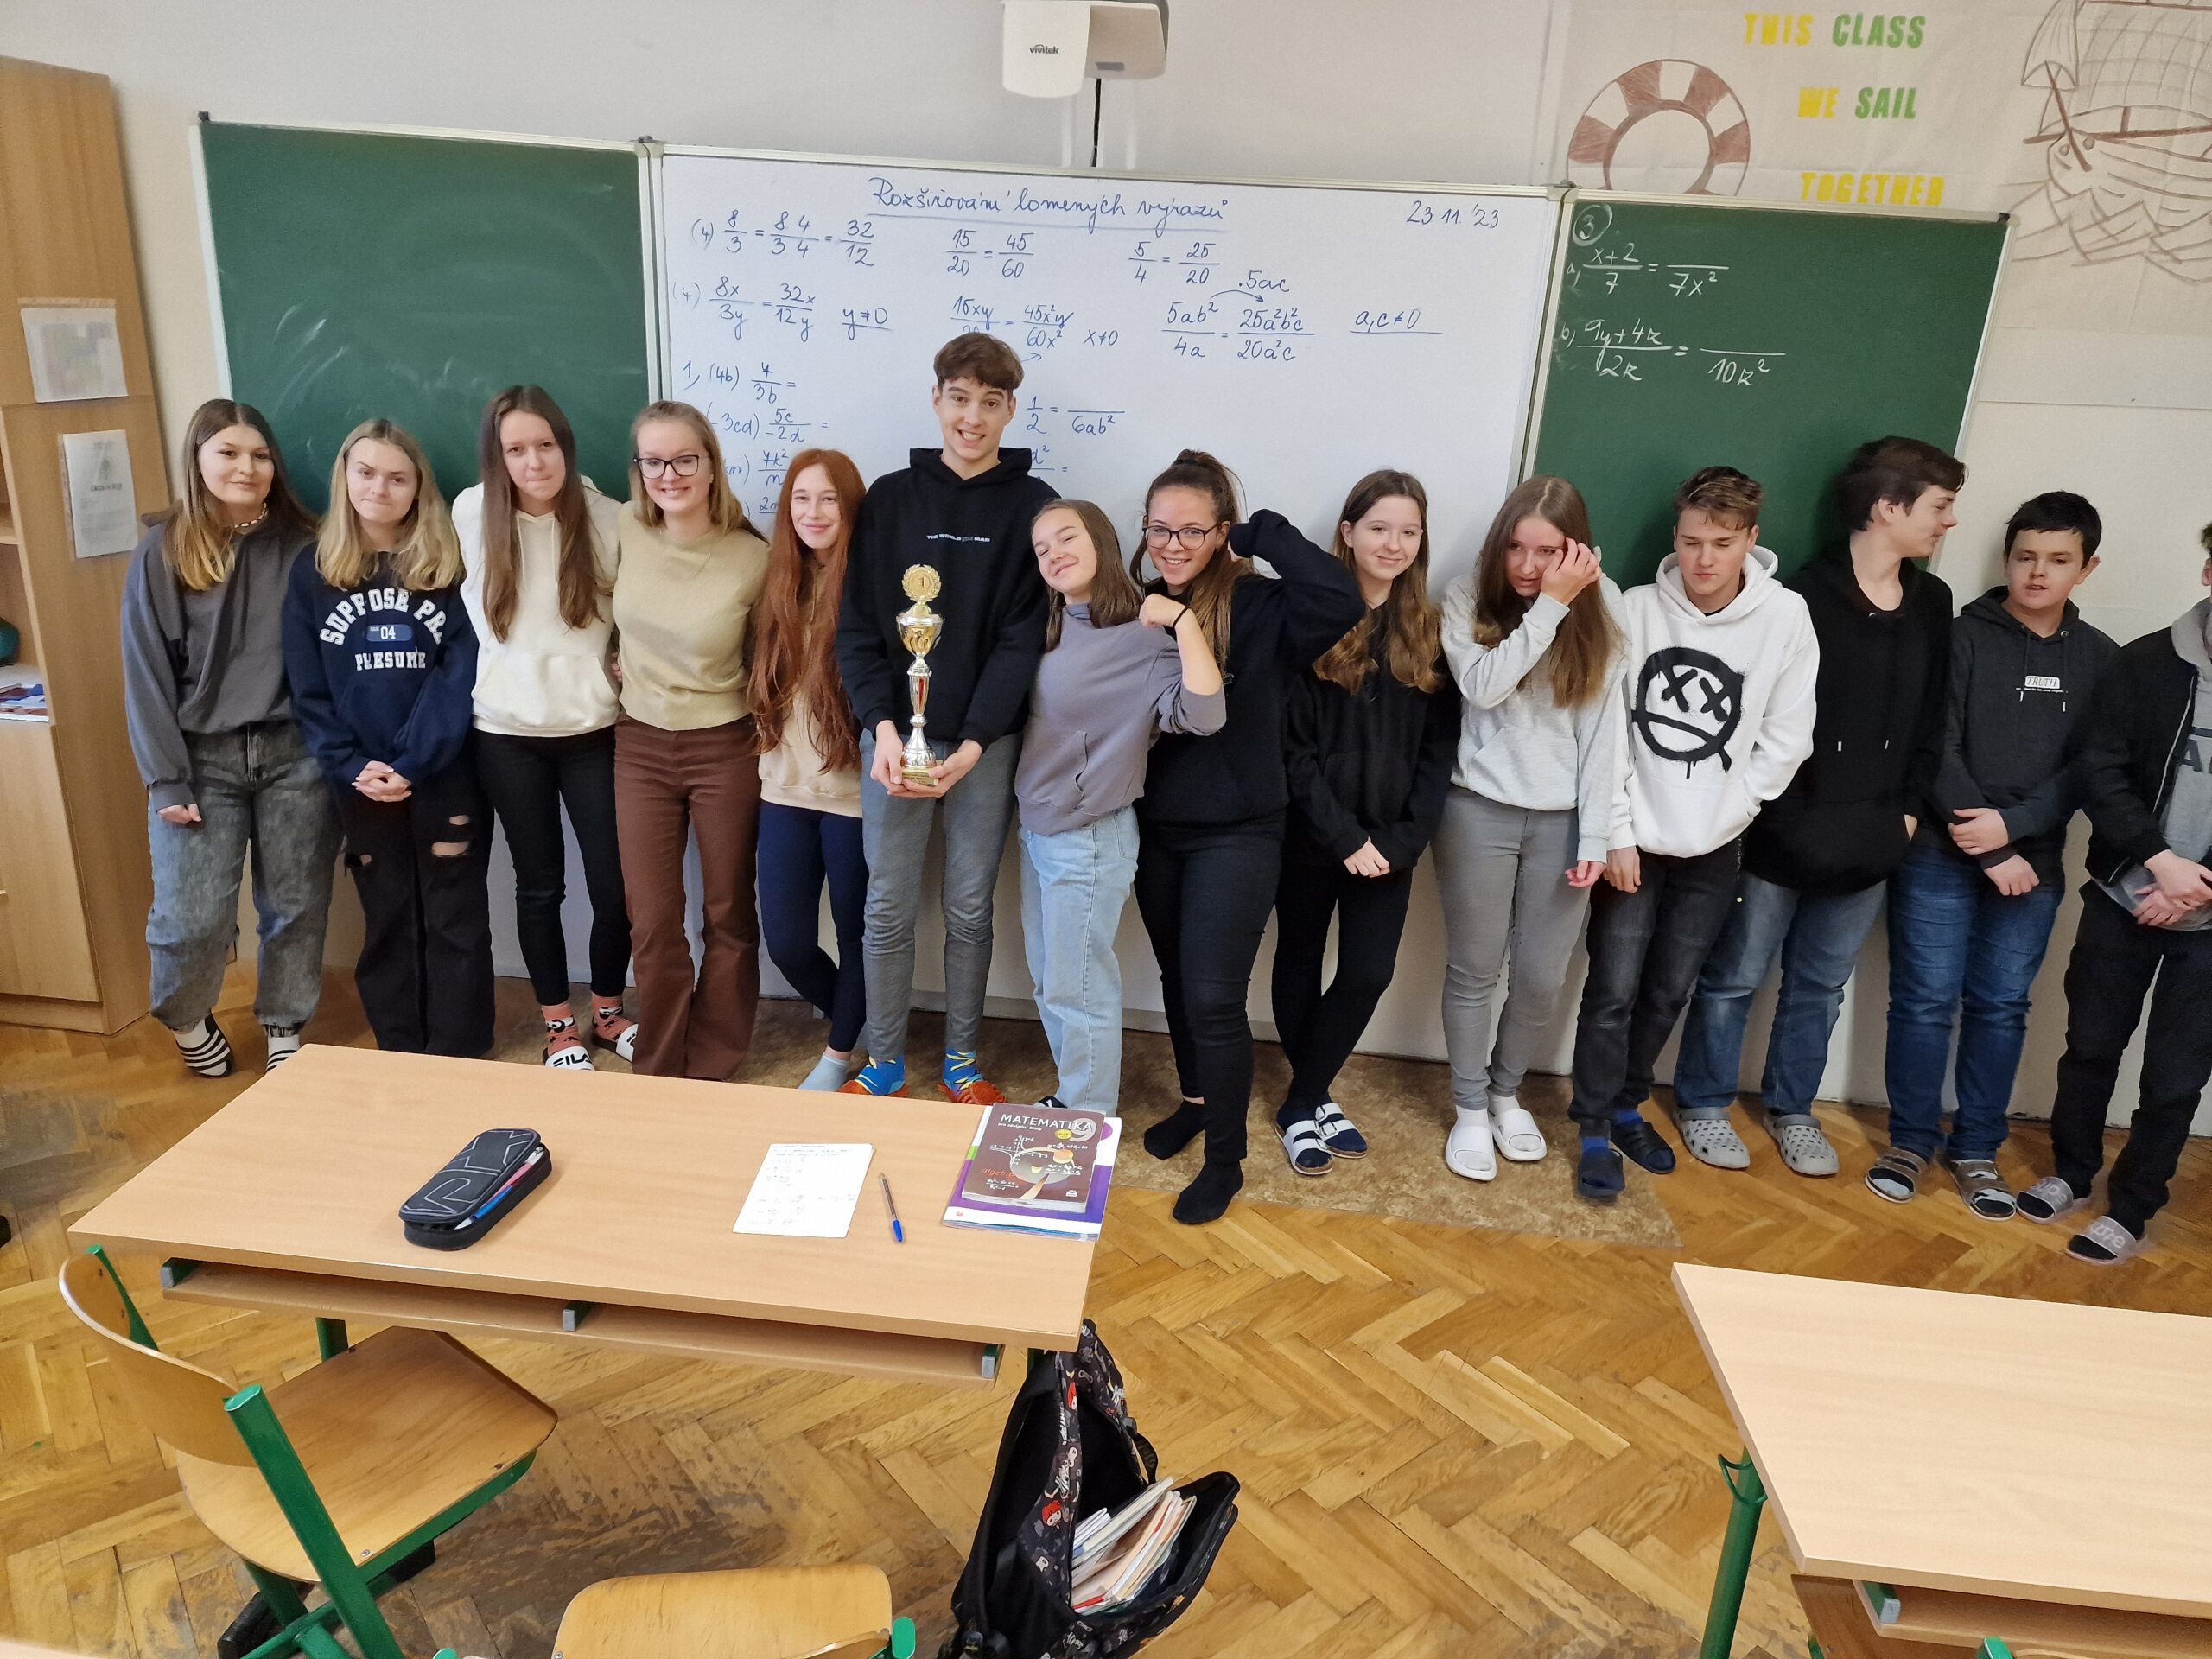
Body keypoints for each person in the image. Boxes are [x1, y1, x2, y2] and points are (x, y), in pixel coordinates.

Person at [1674, 437, 1961, 1176]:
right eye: (1939, 506)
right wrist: (1775, 811)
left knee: (1820, 986)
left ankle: (1793, 1109)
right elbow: (1765, 719)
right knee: (1735, 975)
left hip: (1874, 834)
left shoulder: (1933, 602)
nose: (1949, 522)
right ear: (1887, 507)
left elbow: (1933, 720)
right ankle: (1703, 1100)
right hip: (1783, 828)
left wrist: (1905, 814)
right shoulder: (1802, 597)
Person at [1567, 467, 1818, 1205]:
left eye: (1722, 543)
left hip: (1717, 843)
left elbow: (1787, 737)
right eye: (1691, 540)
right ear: (1675, 536)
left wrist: (1729, 810)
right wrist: (1617, 831)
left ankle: (1627, 1104)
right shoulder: (1635, 608)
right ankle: (1591, 1123)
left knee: (1670, 989)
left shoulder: (1786, 617)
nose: (1704, 559)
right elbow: (1606, 728)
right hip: (1632, 840)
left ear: (1751, 540)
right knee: (1612, 988)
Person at [1130, 451, 1366, 1224]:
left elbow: (1340, 596)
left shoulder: (1263, 604)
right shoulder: (1141, 604)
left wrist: (1261, 532)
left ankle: (1225, 1162)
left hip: (1239, 832)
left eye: (1191, 531)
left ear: (1221, 531)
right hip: (1156, 826)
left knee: (1214, 997)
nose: (1172, 545)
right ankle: (1197, 1102)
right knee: (1175, 979)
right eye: (1159, 529)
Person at [1872, 492, 2115, 1216]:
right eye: (2025, 557)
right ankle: (1910, 1142)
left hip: (2032, 863)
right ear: (2006, 560)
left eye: (2058, 560)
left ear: (2086, 568)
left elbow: (2088, 769)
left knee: (2002, 1006)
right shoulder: (1958, 636)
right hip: (1942, 854)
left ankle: (1977, 1149)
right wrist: (1984, 845)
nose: (2038, 572)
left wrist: (2012, 830)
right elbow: (1934, 745)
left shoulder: (2101, 659)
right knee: (1923, 1001)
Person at [834, 333, 1057, 1103]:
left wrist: (975, 742)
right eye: (959, 398)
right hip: (892, 742)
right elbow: (858, 627)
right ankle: (885, 1061)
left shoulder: (1035, 506)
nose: (973, 417)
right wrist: (881, 727)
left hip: (984, 747)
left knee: (968, 908)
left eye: (990, 402)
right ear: (936, 400)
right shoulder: (890, 499)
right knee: (886, 907)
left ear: (1010, 410)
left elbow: (1023, 639)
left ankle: (961, 1059)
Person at [121, 398, 337, 1077]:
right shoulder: (163, 551)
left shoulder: (308, 545)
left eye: (261, 455)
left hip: (296, 754)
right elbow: (145, 674)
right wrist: (165, 779)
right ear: (198, 460)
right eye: (229, 453)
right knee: (190, 920)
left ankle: (285, 1026)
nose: (248, 467)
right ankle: (187, 1020)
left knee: (296, 906)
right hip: (199, 761)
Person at [2018, 524, 2212, 1264]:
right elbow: (2102, 770)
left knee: (2175, 1077)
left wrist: (2197, 889)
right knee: (2090, 1048)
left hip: (2209, 922)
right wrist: (2159, 863)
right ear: (2208, 573)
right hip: (2123, 896)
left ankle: (2131, 1209)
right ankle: (2072, 1174)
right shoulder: (2145, 662)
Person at [1433, 475, 1624, 1183]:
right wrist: (1550, 606)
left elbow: (1604, 735)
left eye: (1547, 552)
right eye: (1515, 547)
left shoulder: (1606, 609)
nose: (1527, 565)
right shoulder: (1466, 597)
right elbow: (1483, 687)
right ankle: (1469, 1108)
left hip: (1563, 820)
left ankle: (1506, 1093)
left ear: (1576, 550)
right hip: (1476, 809)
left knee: (1542, 978)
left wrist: (1597, 837)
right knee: (1474, 970)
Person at [1268, 470, 1458, 1176]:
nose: (1394, 544)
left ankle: (1302, 1099)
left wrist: (1401, 841)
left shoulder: (1428, 631)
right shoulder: (1309, 621)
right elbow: (1292, 749)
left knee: (1368, 973)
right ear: (1347, 533)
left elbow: (1439, 752)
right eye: (1379, 527)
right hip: (1313, 835)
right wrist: (1343, 837)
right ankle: (1312, 1100)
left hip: (1391, 845)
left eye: (1409, 531)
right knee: (1299, 957)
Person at [283, 419, 492, 1057]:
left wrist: (413, 760)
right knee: (388, 913)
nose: (380, 488)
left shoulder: (448, 565)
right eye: (367, 473)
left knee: (454, 913)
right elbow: (307, 685)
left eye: (398, 478)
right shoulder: (313, 571)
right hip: (361, 781)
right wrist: (351, 764)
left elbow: (460, 672)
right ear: (344, 478)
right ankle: (399, 1049)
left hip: (443, 770)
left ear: (418, 488)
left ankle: (458, 1050)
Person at [1017, 500, 1224, 1116]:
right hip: (1036, 828)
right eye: (1042, 548)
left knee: (1079, 989)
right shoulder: (1051, 623)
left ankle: (1086, 1116)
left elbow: (1205, 715)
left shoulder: (1142, 636)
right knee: (1051, 983)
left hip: (1089, 836)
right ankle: (1076, 1098)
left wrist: (1183, 622)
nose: (1053, 554)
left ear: (1101, 541)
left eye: (1066, 538)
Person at [453, 385, 636, 1071]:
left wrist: (626, 658)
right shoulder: (471, 513)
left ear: (567, 446)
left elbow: (636, 614)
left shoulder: (611, 519)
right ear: (496, 458)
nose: (534, 462)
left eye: (545, 445)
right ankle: (559, 1026)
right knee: (539, 887)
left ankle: (608, 1012)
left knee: (614, 888)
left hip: (594, 732)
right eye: (516, 449)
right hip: (506, 736)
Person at [610, 400, 770, 1080]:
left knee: (727, 911)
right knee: (652, 918)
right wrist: (610, 659)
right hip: (639, 746)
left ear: (710, 466)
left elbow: (771, 658)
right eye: (654, 461)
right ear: (638, 469)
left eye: (684, 459)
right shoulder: (625, 526)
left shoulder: (753, 557)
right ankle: (660, 1062)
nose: (669, 475)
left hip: (724, 746)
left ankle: (714, 1058)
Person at [751, 448, 869, 1091]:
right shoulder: (777, 583)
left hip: (854, 796)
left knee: (857, 936)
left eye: (828, 499)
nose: (814, 512)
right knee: (788, 942)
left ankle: (838, 1053)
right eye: (801, 498)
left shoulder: (872, 583)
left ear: (850, 507)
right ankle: (857, 1013)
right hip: (783, 789)